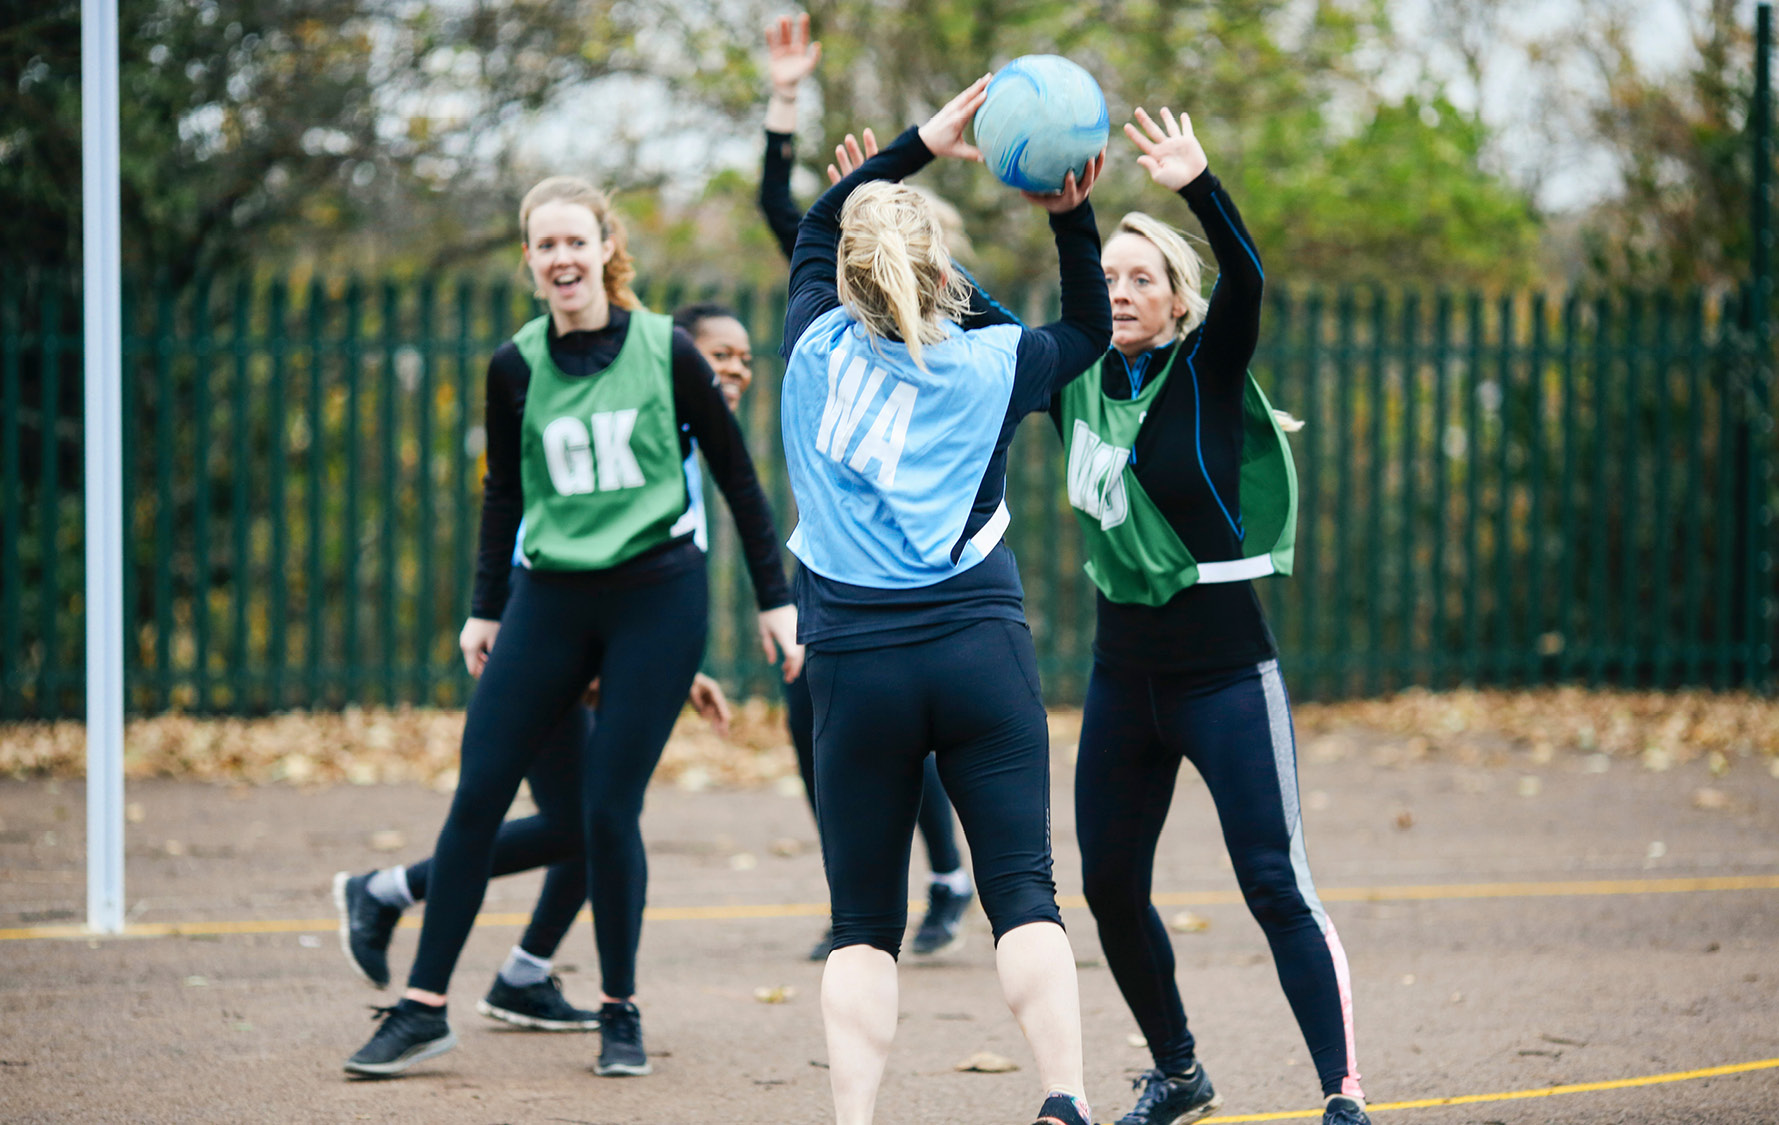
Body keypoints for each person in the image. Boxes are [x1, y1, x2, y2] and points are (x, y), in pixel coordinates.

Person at [342, 175, 801, 1079]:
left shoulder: (668, 351)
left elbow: (739, 482)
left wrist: (772, 598)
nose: (561, 259)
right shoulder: (513, 366)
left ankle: (618, 1010)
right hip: (547, 596)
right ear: (530, 260)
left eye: (574, 243)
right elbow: (503, 493)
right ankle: (423, 1007)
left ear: (604, 250)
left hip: (655, 597)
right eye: (543, 245)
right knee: (477, 796)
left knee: (604, 809)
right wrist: (484, 607)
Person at [779, 75, 1109, 1125]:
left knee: (862, 926)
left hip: (855, 667)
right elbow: (1091, 329)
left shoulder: (808, 349)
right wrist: (1069, 210)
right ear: (940, 271)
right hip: (978, 651)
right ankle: (1063, 1101)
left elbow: (821, 218)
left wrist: (920, 141)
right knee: (1024, 892)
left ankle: (856, 1121)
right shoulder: (997, 362)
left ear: (843, 273)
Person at [1053, 106, 1369, 1125]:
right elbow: (1021, 306)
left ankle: (1342, 1094)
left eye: (1143, 277)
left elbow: (1251, 279)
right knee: (1106, 885)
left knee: (1274, 883)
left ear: (1180, 303)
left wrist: (1199, 184)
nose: (1123, 291)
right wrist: (1070, 216)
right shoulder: (1077, 381)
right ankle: (1179, 1071)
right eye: (1110, 279)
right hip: (1122, 680)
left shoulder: (1207, 367)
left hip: (1229, 679)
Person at [755, 11, 976, 960]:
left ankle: (945, 873)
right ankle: (876, 888)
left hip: (919, 557)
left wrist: (880, 184)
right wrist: (789, 101)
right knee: (819, 713)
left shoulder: (956, 326)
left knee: (902, 718)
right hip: (834, 547)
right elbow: (786, 209)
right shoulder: (829, 307)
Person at [331, 673, 730, 1031]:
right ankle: (387, 892)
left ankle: (523, 976)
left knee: (601, 815)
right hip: (545, 645)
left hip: (577, 637)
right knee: (587, 820)